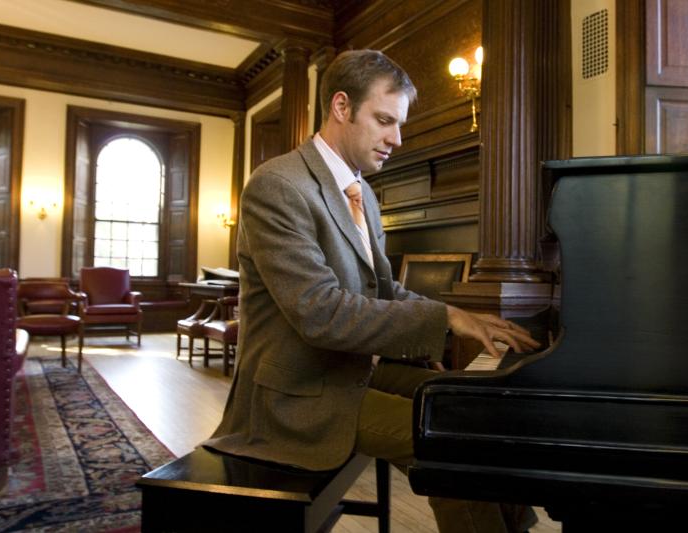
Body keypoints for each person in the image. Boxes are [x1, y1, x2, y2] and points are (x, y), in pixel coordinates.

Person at [204, 49, 540, 532]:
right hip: (297, 394)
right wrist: (445, 320)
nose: (396, 139)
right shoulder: (277, 185)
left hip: (351, 373)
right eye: (384, 120)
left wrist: (458, 312)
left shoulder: (362, 194)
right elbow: (319, 313)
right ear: (341, 107)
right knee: (444, 440)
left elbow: (385, 292)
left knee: (477, 411)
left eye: (399, 124)